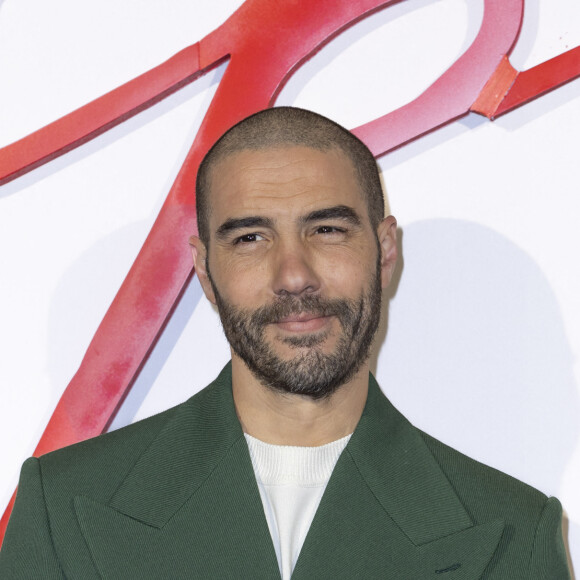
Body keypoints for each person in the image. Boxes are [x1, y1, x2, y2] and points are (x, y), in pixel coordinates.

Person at [0, 107, 570, 579]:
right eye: (250, 237)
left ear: (385, 250)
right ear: (205, 271)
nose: (294, 275)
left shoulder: (514, 534)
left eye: (327, 230)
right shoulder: (65, 508)